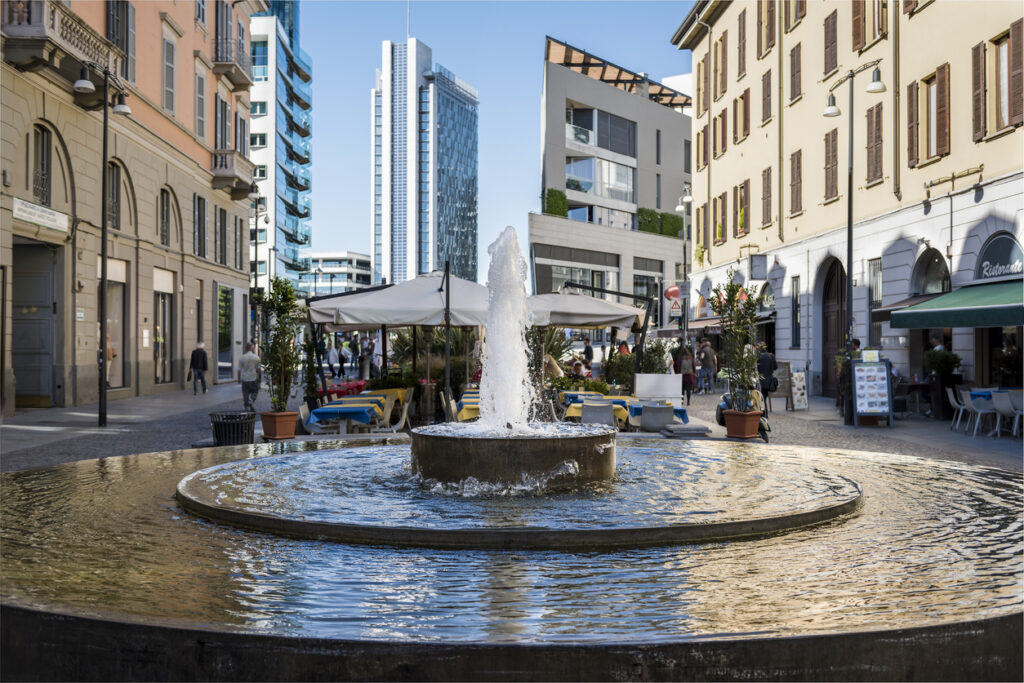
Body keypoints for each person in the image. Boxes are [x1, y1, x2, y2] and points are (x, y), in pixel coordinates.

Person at [238, 342, 261, 411]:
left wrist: (239, 379)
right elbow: (259, 369)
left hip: (245, 378)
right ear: (252, 348)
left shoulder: (242, 357)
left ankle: (246, 407)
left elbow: (239, 369)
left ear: (245, 348)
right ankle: (251, 400)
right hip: (253, 378)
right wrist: (260, 378)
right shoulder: (256, 357)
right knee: (255, 391)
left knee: (245, 393)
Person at [757, 343, 779, 413]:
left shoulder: (758, 357)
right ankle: (764, 414)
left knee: (761, 398)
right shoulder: (771, 356)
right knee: (764, 397)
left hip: (759, 380)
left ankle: (763, 414)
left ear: (759, 349)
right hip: (768, 381)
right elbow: (775, 367)